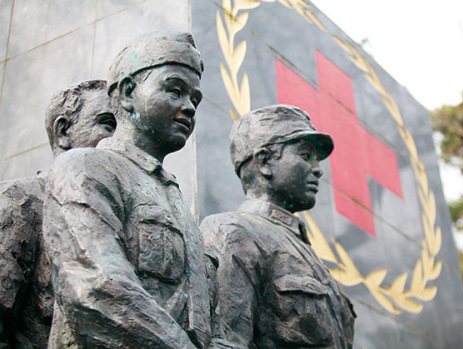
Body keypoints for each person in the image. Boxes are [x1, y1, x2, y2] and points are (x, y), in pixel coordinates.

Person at [43, 32, 228, 349]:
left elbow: (211, 331)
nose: (190, 107)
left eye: (194, 99)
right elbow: (97, 289)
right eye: (175, 91)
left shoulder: (176, 201)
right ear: (128, 93)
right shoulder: (85, 169)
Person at [201, 105, 356, 349]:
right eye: (305, 156)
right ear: (264, 161)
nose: (317, 169)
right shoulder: (233, 231)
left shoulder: (308, 256)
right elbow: (227, 342)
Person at [0, 79, 115, 348]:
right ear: (63, 131)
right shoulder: (20, 201)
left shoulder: (119, 220)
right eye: (109, 124)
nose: (118, 141)